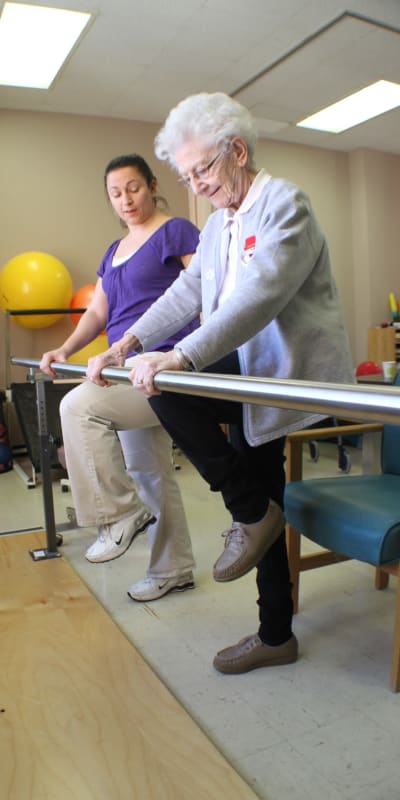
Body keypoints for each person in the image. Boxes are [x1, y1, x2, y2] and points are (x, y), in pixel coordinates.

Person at [86, 93, 354, 674]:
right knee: (257, 493)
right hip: (246, 370)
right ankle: (270, 604)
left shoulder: (286, 204)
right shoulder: (219, 224)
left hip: (287, 373)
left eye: (202, 169)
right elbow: (183, 294)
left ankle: (270, 610)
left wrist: (179, 355)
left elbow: (259, 299)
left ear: (237, 150)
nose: (196, 184)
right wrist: (130, 343)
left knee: (191, 403)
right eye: (186, 175)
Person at [40, 153, 200, 602]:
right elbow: (98, 311)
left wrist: (192, 354)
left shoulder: (177, 230)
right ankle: (174, 569)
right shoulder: (113, 251)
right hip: (121, 363)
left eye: (133, 187)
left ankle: (119, 513)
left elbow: (205, 289)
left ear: (151, 185)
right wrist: (65, 349)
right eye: (115, 192)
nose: (125, 199)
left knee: (78, 407)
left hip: (161, 365)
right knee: (150, 471)